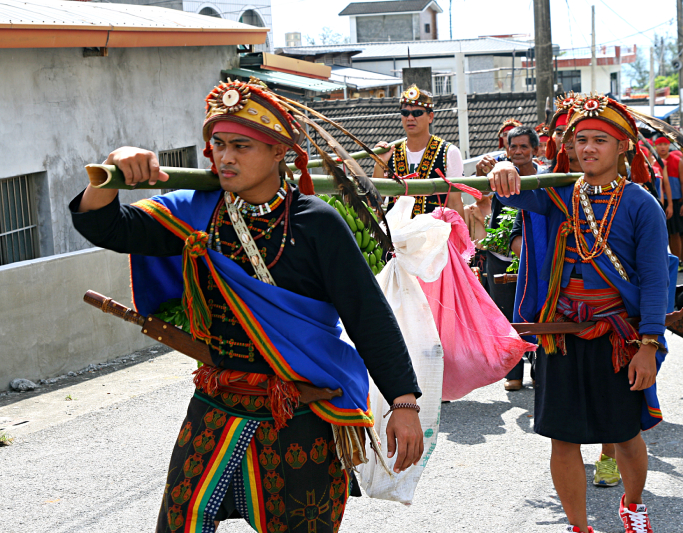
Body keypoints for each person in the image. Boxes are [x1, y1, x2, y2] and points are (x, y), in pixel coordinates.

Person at [71, 79, 424, 532]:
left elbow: (367, 314)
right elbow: (108, 229)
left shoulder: (316, 223)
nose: (225, 157)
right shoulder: (198, 214)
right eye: (217, 143)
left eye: (242, 145)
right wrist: (114, 165)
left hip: (300, 412)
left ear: (280, 152)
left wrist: (404, 403)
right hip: (217, 404)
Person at [490, 94, 671, 533]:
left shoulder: (640, 204)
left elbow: (654, 280)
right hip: (559, 335)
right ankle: (579, 525)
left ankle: (632, 504)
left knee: (626, 436)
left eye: (599, 141)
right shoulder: (555, 193)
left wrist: (649, 345)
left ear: (623, 146)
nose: (587, 149)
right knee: (562, 437)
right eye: (580, 140)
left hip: (617, 339)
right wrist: (505, 170)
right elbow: (513, 192)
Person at [476, 126, 540, 391]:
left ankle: (539, 367)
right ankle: (513, 371)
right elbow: (481, 195)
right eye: (513, 147)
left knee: (537, 312)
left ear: (535, 151)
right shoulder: (498, 172)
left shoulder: (545, 177)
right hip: (500, 254)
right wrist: (482, 173)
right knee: (505, 314)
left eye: (524, 146)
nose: (518, 151)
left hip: (536, 256)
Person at [374, 85, 464, 219]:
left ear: (430, 117)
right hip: (397, 235)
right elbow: (375, 200)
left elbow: (455, 203)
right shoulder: (390, 152)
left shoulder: (449, 152)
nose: (410, 118)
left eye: (417, 113)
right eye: (405, 113)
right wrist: (379, 163)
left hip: (435, 235)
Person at [655, 137, 683, 270]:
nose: (662, 147)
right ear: (655, 146)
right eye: (660, 145)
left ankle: (681, 261)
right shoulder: (653, 161)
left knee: (676, 232)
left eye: (665, 144)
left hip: (676, 201)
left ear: (669, 145)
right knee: (665, 233)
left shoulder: (677, 161)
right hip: (659, 200)